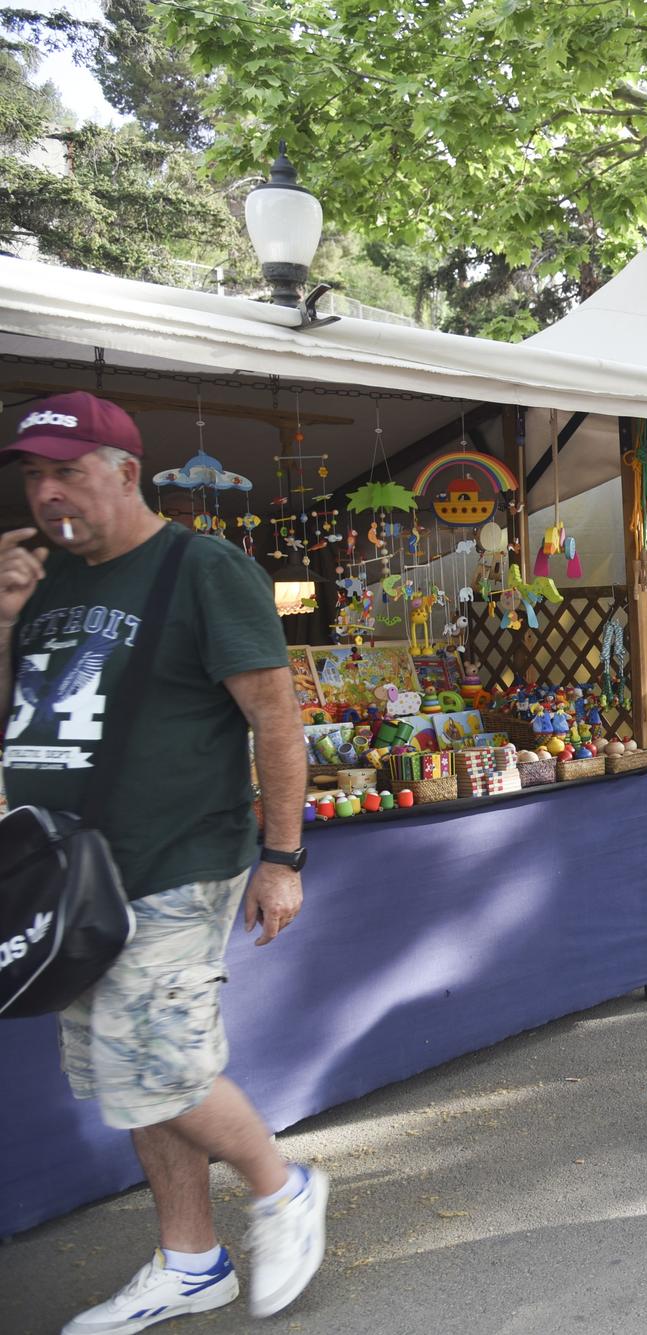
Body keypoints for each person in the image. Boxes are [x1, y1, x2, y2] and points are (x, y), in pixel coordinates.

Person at [0, 393, 328, 1331]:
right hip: (66, 872)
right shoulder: (44, 579)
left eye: (68, 469)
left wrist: (282, 856)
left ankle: (282, 1182)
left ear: (126, 472)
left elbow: (275, 713)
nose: (48, 490)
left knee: (160, 1066)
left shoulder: (202, 568)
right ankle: (191, 1259)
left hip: (178, 856)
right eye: (33, 473)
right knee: (123, 1069)